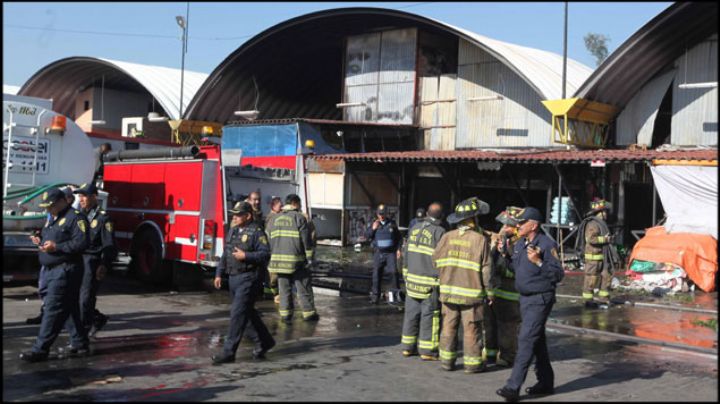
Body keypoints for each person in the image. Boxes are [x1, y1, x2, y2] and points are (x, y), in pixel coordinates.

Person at [497, 207, 564, 402]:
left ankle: (512, 387)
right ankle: (545, 382)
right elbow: (516, 268)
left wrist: (539, 262)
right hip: (525, 298)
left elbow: (558, 275)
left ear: (533, 225)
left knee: (526, 340)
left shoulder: (546, 244)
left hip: (539, 299)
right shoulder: (520, 244)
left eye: (521, 223)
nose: (517, 226)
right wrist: (504, 254)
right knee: (536, 341)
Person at [20, 188, 90, 362]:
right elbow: (52, 237)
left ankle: (40, 349)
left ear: (62, 201)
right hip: (52, 269)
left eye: (50, 206)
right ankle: (80, 342)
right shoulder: (54, 217)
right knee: (69, 308)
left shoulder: (76, 218)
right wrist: (40, 240)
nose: (47, 210)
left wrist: (57, 248)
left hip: (65, 269)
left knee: (53, 308)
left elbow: (81, 243)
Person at [432, 196, 493, 373]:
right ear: (473, 220)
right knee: (471, 329)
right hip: (471, 296)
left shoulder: (446, 237)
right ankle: (472, 365)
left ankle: (447, 362)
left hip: (448, 293)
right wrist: (489, 293)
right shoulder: (480, 240)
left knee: (448, 327)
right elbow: (486, 270)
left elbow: (435, 261)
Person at [212, 201, 276, 364]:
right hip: (234, 277)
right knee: (246, 313)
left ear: (247, 216)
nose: (234, 217)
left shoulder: (256, 232)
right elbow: (226, 253)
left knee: (237, 314)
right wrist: (219, 273)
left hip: (249, 277)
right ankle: (265, 341)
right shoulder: (233, 230)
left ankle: (228, 352)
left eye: (238, 214)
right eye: (234, 214)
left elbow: (265, 255)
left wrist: (246, 256)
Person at [400, 202, 446, 361]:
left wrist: (405, 276)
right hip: (429, 284)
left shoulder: (414, 229)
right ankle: (427, 351)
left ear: (427, 213)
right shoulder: (439, 232)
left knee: (411, 315)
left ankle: (407, 347)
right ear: (441, 216)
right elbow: (442, 260)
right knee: (430, 317)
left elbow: (405, 254)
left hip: (411, 282)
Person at [72, 182, 116, 337]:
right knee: (76, 297)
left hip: (92, 262)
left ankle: (81, 335)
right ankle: (97, 318)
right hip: (78, 260)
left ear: (94, 196)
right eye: (79, 196)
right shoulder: (79, 215)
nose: (81, 199)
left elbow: (109, 245)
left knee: (85, 298)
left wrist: (104, 265)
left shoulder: (103, 218)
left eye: (84, 196)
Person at [267, 194, 318, 324]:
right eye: (299, 205)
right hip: (297, 262)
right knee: (303, 288)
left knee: (283, 290)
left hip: (278, 263)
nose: (300, 208)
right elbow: (306, 241)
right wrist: (310, 259)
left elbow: (268, 240)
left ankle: (285, 315)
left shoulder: (274, 219)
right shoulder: (299, 218)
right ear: (295, 203)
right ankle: (308, 314)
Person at [483, 206, 523, 368]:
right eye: (504, 224)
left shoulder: (521, 243)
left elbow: (516, 268)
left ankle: (508, 356)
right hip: (495, 289)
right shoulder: (502, 238)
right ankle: (490, 353)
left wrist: (506, 251)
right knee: (490, 323)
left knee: (507, 325)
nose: (504, 228)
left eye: (509, 225)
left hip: (510, 291)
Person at [576, 198, 619, 306]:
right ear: (600, 213)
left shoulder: (601, 224)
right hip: (593, 258)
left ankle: (603, 298)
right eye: (604, 212)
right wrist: (605, 239)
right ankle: (588, 300)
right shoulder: (593, 224)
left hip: (603, 257)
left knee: (607, 276)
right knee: (591, 279)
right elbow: (591, 239)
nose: (606, 214)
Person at [365, 204, 402, 304]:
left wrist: (399, 249)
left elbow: (399, 238)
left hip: (390, 253)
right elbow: (367, 236)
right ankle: (375, 297)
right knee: (376, 275)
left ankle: (395, 297)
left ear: (386, 214)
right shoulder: (374, 224)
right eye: (379, 214)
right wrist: (373, 229)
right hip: (379, 253)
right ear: (377, 214)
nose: (381, 216)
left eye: (383, 214)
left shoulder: (392, 224)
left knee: (394, 273)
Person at [264, 196, 283, 302]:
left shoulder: (274, 216)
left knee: (273, 274)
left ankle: (270, 294)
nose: (282, 208)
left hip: (274, 250)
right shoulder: (272, 218)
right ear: (273, 206)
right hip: (272, 250)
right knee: (272, 275)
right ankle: (270, 295)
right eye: (280, 206)